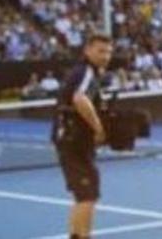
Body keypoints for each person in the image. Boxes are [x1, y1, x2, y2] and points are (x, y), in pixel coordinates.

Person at [51, 33, 113, 239]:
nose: (106, 56)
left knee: (85, 195)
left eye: (109, 52)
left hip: (76, 141)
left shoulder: (91, 74)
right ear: (87, 50)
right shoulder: (85, 71)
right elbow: (79, 99)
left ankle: (79, 235)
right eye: (100, 51)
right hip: (72, 141)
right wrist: (98, 128)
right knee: (87, 195)